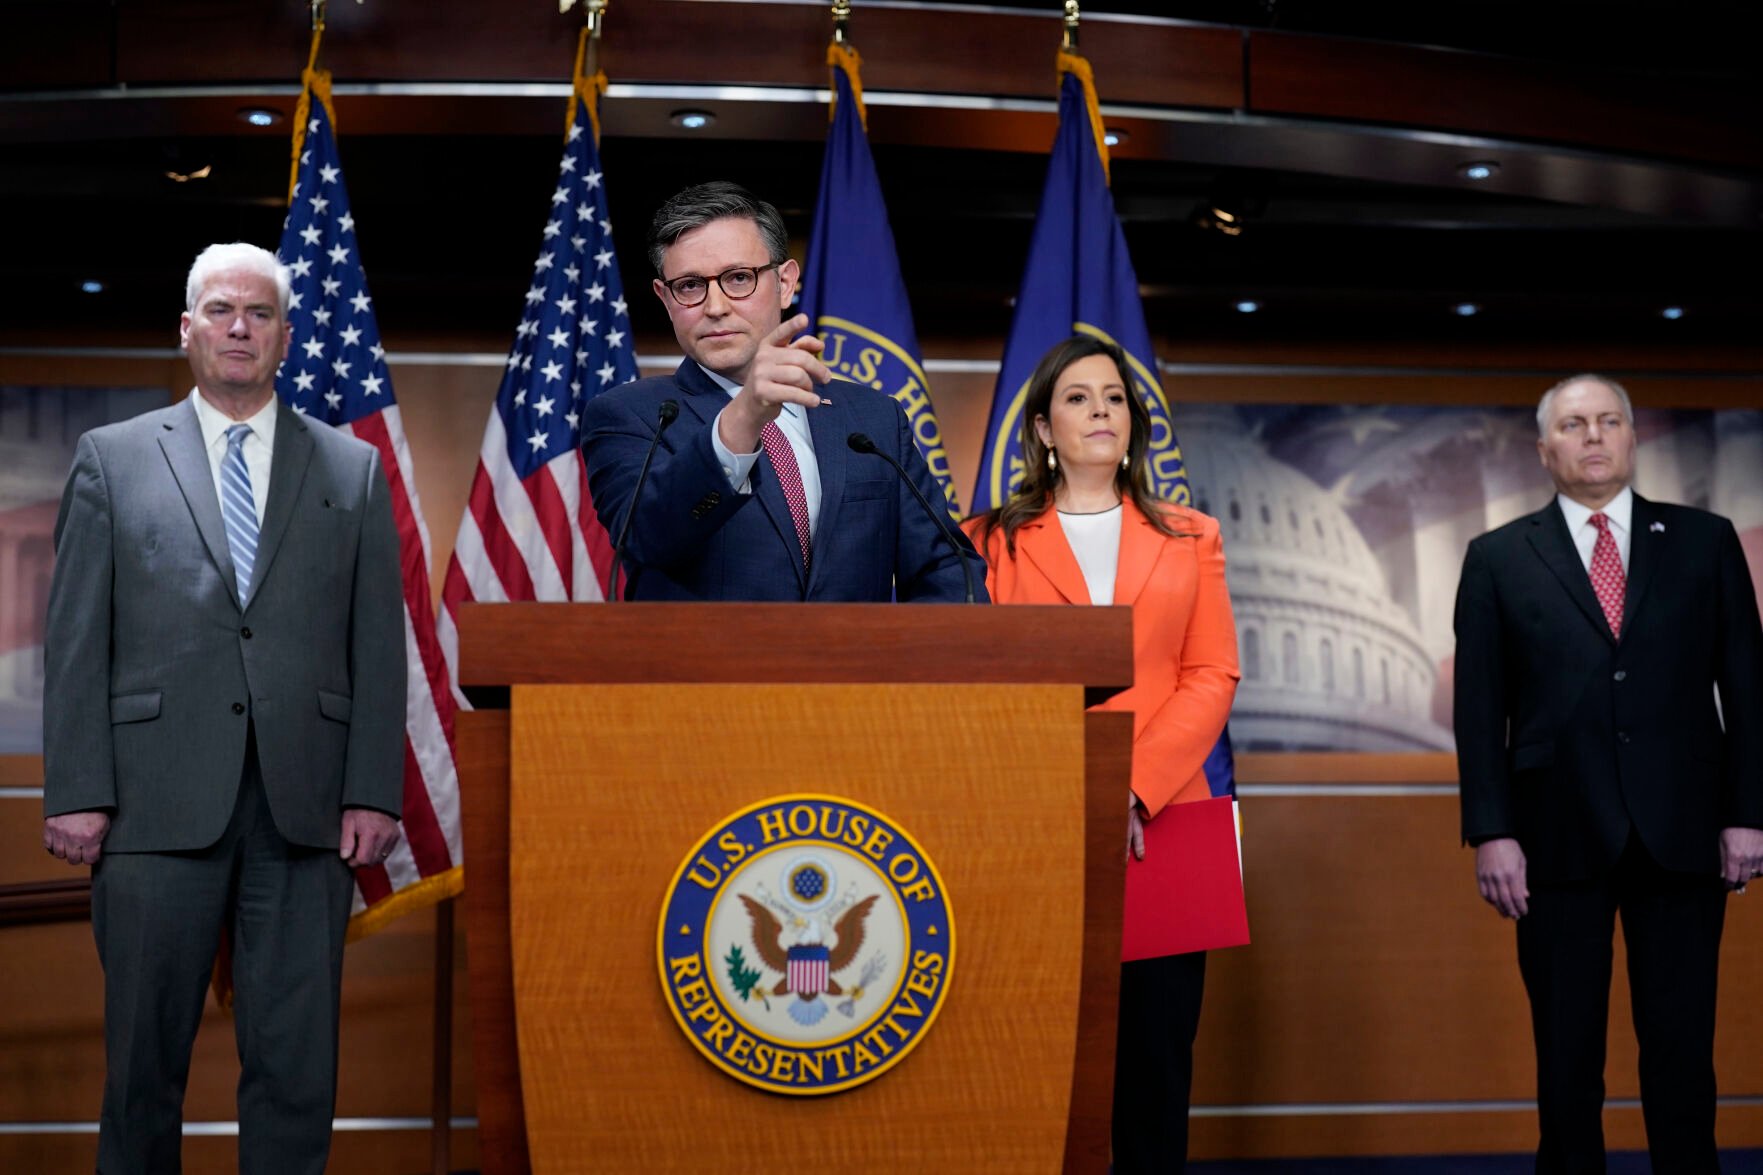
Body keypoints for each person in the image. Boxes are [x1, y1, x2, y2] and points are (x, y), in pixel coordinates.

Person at [41, 242, 406, 1174]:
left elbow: (376, 643)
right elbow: (77, 637)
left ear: (286, 334)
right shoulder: (112, 459)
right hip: (151, 804)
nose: (239, 326)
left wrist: (374, 790)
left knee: (295, 1071)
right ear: (188, 328)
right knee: (141, 1069)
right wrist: (76, 788)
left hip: (305, 808)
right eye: (219, 310)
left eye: (259, 312)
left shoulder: (353, 468)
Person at [1454, 373, 1763, 1173]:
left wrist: (1748, 811)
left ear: (1630, 438)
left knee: (1681, 1058)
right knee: (1564, 1066)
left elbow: (1747, 684)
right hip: (1552, 841)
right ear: (1543, 448)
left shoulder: (1704, 539)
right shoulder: (1495, 557)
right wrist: (1491, 831)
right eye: (1572, 424)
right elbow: (1480, 710)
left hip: (1684, 833)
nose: (1591, 436)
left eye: (1607, 421)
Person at [960, 334, 1239, 1173]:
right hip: (1036, 822)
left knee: (1155, 1067)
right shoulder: (988, 541)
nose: (1101, 412)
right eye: (1078, 398)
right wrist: (1071, 793)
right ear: (1043, 426)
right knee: (1043, 1058)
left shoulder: (1193, 535)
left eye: (1114, 398)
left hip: (1169, 821)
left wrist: (1130, 787)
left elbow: (1211, 672)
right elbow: (983, 688)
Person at [582, 181, 982, 602]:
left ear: (786, 283)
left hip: (857, 667)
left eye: (739, 278)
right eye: (690, 286)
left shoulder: (873, 418)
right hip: (710, 668)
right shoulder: (629, 415)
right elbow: (649, 537)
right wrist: (744, 415)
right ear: (665, 299)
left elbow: (947, 568)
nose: (716, 306)